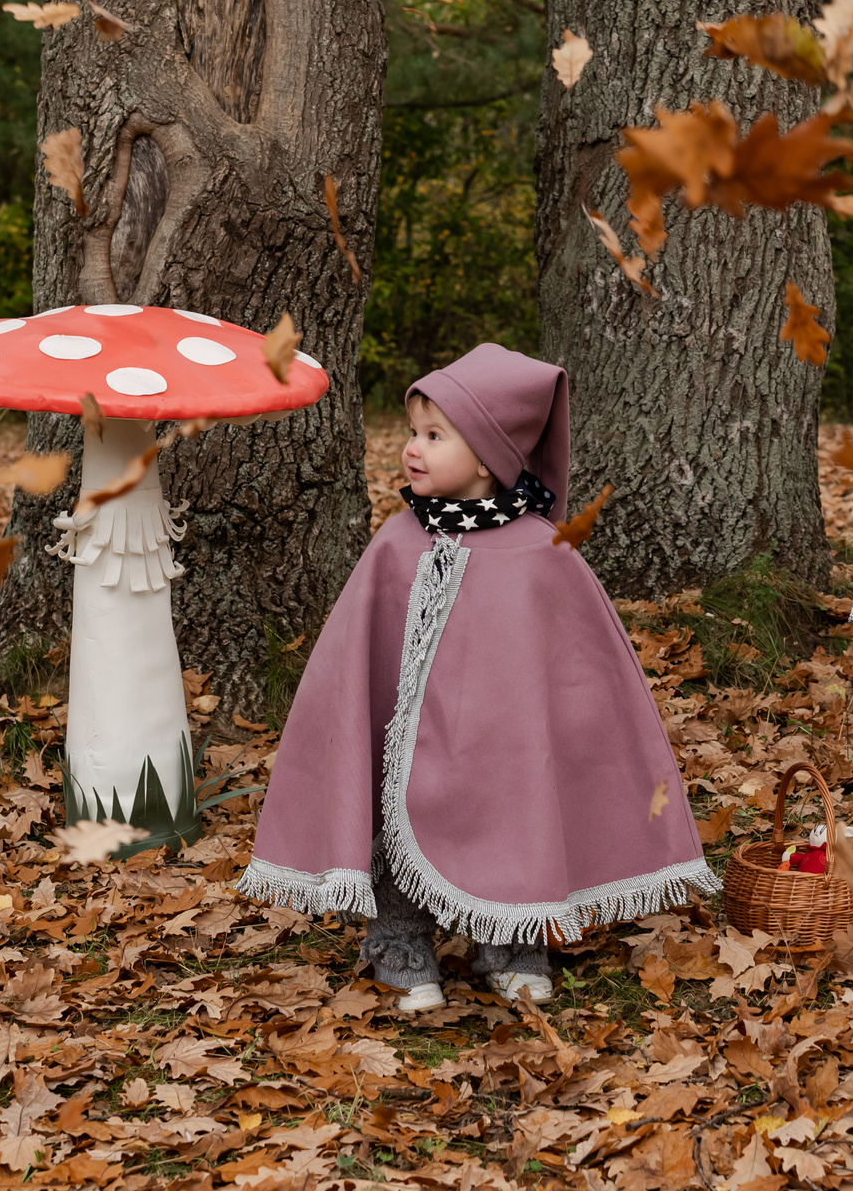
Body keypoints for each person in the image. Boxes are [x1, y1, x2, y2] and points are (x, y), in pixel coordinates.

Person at [235, 344, 717, 1011]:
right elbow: (356, 661)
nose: (412, 449)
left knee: (518, 818)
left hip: (507, 748)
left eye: (435, 435)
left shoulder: (539, 553)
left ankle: (513, 942)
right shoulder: (396, 542)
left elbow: (575, 670)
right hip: (411, 748)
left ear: (490, 458)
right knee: (397, 820)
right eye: (412, 432)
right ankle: (400, 940)